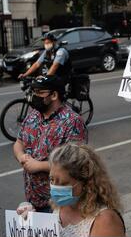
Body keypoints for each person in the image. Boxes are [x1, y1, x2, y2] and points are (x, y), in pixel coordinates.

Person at [13, 75, 87, 212]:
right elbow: (18, 143)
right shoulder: (32, 115)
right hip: (33, 200)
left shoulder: (72, 121)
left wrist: (39, 166)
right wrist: (21, 156)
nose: (35, 96)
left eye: (40, 93)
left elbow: (75, 163)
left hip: (60, 203)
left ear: (54, 95)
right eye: (34, 92)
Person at [48, 143, 125, 237]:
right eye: (52, 180)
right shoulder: (60, 207)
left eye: (64, 183)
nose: (55, 188)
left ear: (85, 183)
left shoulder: (105, 220)